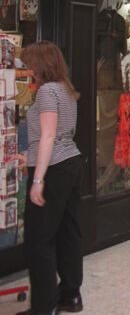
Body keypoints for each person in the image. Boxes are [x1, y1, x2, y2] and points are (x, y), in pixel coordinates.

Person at [14, 41, 83, 315]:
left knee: (39, 239)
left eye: (30, 63)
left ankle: (44, 306)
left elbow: (49, 136)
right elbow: (62, 134)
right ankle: (71, 295)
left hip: (53, 169)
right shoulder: (66, 89)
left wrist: (38, 179)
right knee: (69, 232)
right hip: (72, 163)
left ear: (41, 64)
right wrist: (28, 157)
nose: (28, 70)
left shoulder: (46, 92)